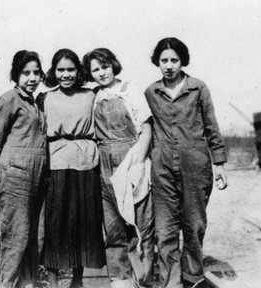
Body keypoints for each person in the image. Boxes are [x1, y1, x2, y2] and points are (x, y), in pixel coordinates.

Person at [144, 37, 228, 288]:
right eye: (163, 60)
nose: (169, 65)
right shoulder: (151, 92)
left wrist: (220, 163)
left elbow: (212, 126)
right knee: (165, 229)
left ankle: (192, 277)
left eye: (174, 60)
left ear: (183, 61)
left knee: (194, 225)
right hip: (162, 170)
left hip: (196, 167)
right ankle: (171, 281)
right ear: (157, 63)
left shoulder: (198, 88)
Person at [83, 48, 155, 288]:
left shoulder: (130, 90)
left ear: (113, 65)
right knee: (113, 228)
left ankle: (145, 279)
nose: (101, 73)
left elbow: (146, 129)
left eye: (104, 67)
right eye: (95, 69)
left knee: (140, 224)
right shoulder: (94, 97)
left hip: (131, 159)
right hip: (104, 166)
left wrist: (137, 164)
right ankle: (120, 281)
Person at [0, 50, 48, 288]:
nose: (32, 78)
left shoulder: (37, 103)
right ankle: (8, 284)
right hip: (15, 176)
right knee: (16, 236)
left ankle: (28, 284)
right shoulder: (9, 99)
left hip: (37, 177)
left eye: (36, 73)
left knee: (34, 237)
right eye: (26, 73)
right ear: (16, 75)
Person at [38, 48, 106, 288]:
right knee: (55, 224)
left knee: (83, 223)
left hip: (86, 164)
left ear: (78, 71)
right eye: (60, 69)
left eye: (70, 69)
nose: (65, 74)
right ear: (53, 72)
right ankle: (54, 282)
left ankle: (78, 280)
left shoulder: (91, 95)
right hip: (56, 165)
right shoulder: (45, 98)